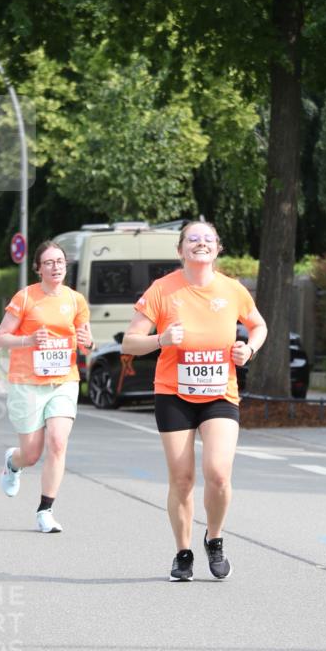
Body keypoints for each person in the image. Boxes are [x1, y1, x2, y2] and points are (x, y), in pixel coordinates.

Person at [122, 220, 267, 581]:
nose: (200, 244)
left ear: (218, 248)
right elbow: (128, 342)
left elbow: (259, 326)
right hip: (173, 393)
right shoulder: (162, 290)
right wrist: (162, 339)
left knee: (218, 474)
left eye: (208, 239)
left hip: (220, 392)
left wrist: (248, 349)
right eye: (192, 239)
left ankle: (214, 540)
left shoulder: (232, 290)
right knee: (183, 479)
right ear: (180, 250)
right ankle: (182, 552)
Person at [0, 241, 94, 533]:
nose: (56, 267)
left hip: (64, 381)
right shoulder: (25, 298)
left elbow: (86, 341)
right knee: (32, 453)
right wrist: (28, 340)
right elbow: (0, 338)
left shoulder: (76, 300)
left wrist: (88, 342)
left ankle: (45, 510)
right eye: (49, 262)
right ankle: (13, 464)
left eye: (60, 261)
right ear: (38, 268)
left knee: (58, 442)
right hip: (26, 382)